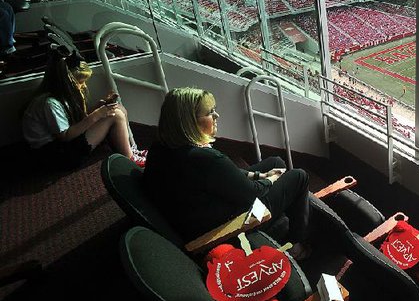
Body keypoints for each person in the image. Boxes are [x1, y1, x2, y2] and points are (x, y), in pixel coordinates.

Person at [142, 87, 311, 258]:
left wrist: (260, 175)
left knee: (276, 162)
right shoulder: (205, 158)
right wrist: (271, 178)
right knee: (299, 177)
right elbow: (254, 191)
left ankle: (283, 218)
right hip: (224, 224)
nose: (216, 116)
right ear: (189, 121)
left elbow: (223, 175)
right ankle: (295, 244)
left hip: (198, 206)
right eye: (209, 113)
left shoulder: (161, 146)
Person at [22, 46, 143, 170]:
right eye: (81, 81)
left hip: (63, 145)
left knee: (119, 109)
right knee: (116, 116)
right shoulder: (50, 103)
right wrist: (97, 115)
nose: (84, 85)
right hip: (54, 155)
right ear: (67, 82)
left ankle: (131, 150)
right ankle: (130, 160)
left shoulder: (63, 98)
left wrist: (98, 108)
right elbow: (65, 135)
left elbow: (77, 121)